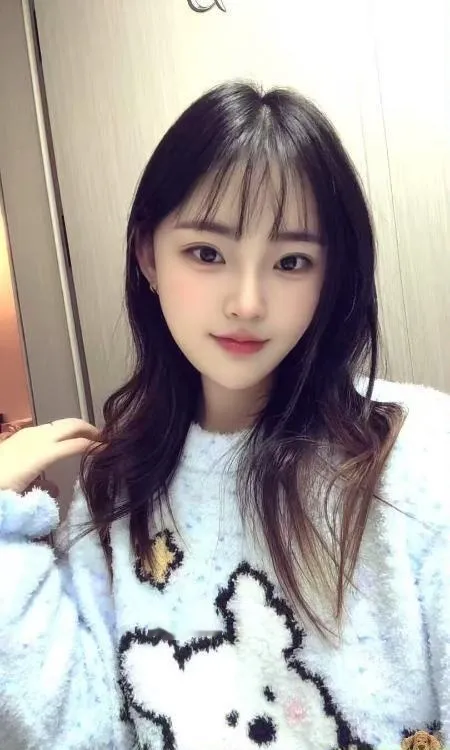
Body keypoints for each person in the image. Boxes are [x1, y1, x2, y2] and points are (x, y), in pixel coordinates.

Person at [0, 81, 448, 750]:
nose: (247, 302)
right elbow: (79, 729)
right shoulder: (121, 484)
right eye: (207, 254)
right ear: (147, 255)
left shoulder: (417, 453)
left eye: (291, 261)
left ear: (330, 278)